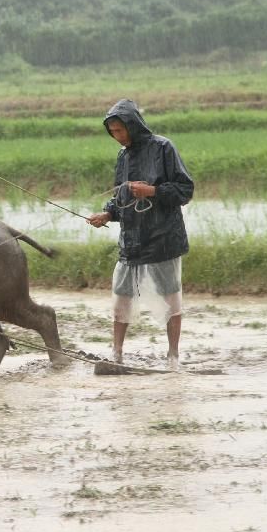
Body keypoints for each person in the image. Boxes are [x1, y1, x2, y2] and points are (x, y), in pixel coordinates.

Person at [88, 99, 194, 371]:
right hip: (132, 240)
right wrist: (107, 215)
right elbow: (119, 198)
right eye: (112, 133)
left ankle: (173, 356)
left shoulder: (163, 148)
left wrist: (152, 192)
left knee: (171, 296)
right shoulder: (123, 156)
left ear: (132, 126)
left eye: (120, 131)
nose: (117, 137)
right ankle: (117, 353)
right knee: (121, 296)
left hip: (163, 238)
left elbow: (185, 190)